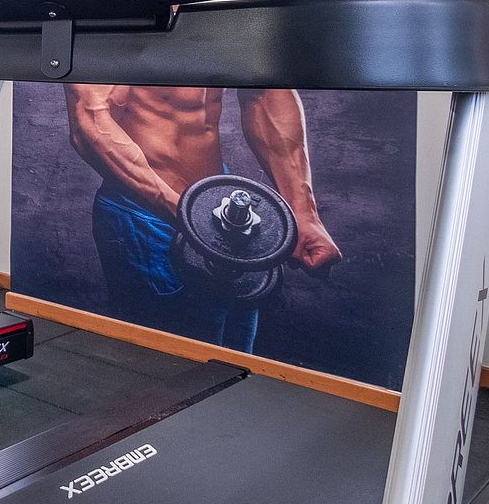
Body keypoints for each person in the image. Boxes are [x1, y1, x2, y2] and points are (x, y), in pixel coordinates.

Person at [65, 84, 342, 351]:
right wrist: (192, 219)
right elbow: (91, 121)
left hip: (218, 207)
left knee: (234, 357)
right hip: (146, 217)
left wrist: (303, 210)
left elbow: (263, 91)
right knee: (167, 364)